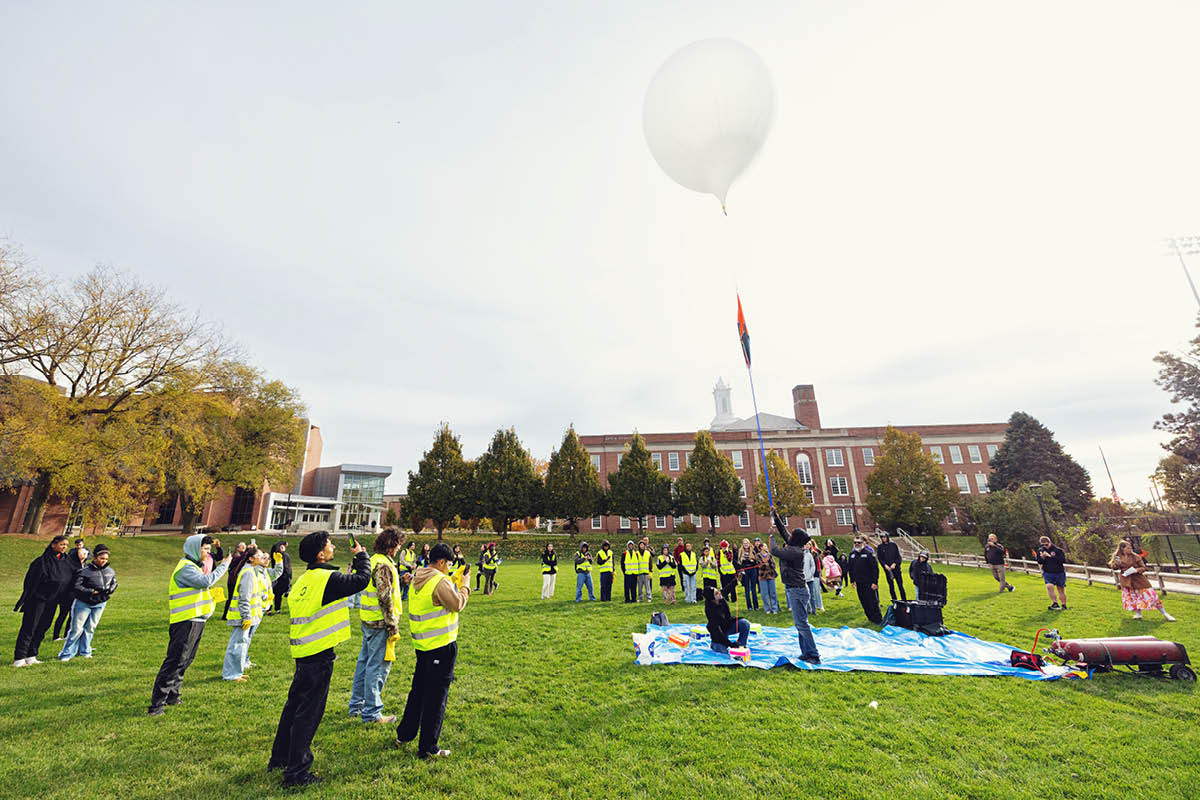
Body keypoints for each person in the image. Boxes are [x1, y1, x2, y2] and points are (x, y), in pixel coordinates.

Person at [268, 531, 369, 787]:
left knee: (293, 709)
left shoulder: (306, 579)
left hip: (303, 653)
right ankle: (297, 773)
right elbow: (362, 580)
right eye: (329, 544)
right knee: (308, 714)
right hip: (319, 655)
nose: (333, 546)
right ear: (320, 554)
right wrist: (362, 556)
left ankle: (279, 758)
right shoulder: (327, 578)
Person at [395, 542, 470, 759]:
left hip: (423, 646)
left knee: (418, 692)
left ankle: (405, 734)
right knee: (436, 698)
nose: (448, 568)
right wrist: (464, 584)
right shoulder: (439, 580)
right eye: (448, 564)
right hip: (441, 646)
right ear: (441, 562)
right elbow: (457, 604)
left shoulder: (420, 575)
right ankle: (428, 747)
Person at [148, 535, 232, 713]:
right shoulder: (186, 568)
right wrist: (224, 564)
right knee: (175, 661)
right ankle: (157, 704)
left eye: (209, 550)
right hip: (185, 621)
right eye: (205, 550)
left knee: (185, 660)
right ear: (194, 549)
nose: (208, 553)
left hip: (196, 620)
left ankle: (173, 695)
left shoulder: (195, 567)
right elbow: (205, 581)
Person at [349, 528, 403, 724]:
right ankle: (372, 713)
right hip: (380, 623)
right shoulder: (383, 565)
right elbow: (385, 597)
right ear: (391, 545)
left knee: (364, 663)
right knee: (377, 667)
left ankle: (357, 706)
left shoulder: (374, 560)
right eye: (398, 544)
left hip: (368, 620)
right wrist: (392, 625)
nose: (399, 548)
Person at [14, 535, 74, 667]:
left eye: (66, 545)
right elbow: (31, 581)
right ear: (53, 544)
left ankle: (31, 655)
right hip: (38, 600)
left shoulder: (66, 562)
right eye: (62, 544)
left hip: (53, 600)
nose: (64, 547)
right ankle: (19, 658)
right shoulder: (41, 561)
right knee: (30, 627)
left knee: (43, 627)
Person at [223, 546, 282, 681]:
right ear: (251, 559)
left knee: (241, 644)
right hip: (242, 616)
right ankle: (231, 675)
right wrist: (246, 616)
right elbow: (245, 597)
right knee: (237, 645)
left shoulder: (251, 571)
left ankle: (236, 672)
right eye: (259, 556)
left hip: (247, 616)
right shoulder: (248, 572)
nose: (262, 558)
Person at [768, 515, 820, 663]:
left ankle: (813, 655)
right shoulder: (794, 546)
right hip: (796, 589)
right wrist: (775, 517)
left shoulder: (795, 552)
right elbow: (784, 532)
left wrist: (771, 535)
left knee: (802, 624)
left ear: (795, 539)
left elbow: (774, 550)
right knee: (800, 624)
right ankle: (806, 652)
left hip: (797, 590)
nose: (789, 535)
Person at [57, 544, 116, 661]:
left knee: (90, 628)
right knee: (76, 629)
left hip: (100, 603)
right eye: (101, 558)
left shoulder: (110, 571)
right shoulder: (84, 571)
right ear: (94, 557)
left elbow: (114, 582)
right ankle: (66, 654)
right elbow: (76, 586)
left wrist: (111, 589)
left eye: (106, 559)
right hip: (83, 603)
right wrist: (91, 591)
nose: (104, 561)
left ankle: (85, 651)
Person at [1110, 539, 1176, 621]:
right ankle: (1138, 614)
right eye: (1128, 548)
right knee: (1133, 597)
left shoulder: (1136, 556)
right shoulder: (1118, 557)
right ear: (1122, 549)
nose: (1130, 549)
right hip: (1127, 580)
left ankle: (1165, 614)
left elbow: (1143, 568)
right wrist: (1117, 563)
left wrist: (1136, 570)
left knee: (1151, 596)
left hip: (1139, 579)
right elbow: (1114, 567)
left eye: (1130, 548)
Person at [52, 538, 90, 641]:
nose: (84, 555)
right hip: (68, 593)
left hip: (78, 595)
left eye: (85, 554)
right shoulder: (71, 565)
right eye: (82, 553)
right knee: (63, 614)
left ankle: (66, 635)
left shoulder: (86, 566)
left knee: (72, 616)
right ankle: (56, 635)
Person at [847, 535, 883, 624]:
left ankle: (878, 619)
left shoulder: (869, 554)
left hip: (869, 582)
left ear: (864, 543)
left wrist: (875, 582)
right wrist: (852, 580)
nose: (857, 544)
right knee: (864, 601)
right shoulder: (852, 555)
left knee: (872, 601)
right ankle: (870, 618)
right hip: (859, 583)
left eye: (859, 542)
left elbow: (875, 569)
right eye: (855, 542)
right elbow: (850, 568)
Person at [703, 586, 750, 655]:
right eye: (716, 593)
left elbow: (726, 589)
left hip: (728, 626)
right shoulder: (710, 611)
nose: (719, 593)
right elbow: (717, 631)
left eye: (718, 591)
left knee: (745, 624)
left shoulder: (721, 599)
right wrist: (730, 644)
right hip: (718, 634)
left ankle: (741, 645)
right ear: (712, 599)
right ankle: (714, 645)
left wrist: (736, 580)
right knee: (724, 653)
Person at [1036, 536, 1068, 610]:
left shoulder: (1058, 550)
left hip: (1059, 572)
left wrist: (1050, 556)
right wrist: (1042, 558)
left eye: (1046, 544)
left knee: (1061, 589)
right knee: (1049, 587)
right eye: (1043, 545)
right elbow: (1039, 561)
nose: (1045, 546)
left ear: (1050, 542)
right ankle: (1055, 603)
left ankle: (1064, 605)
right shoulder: (1040, 550)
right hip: (1048, 572)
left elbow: (1062, 560)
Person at [876, 532, 907, 602]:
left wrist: (895, 564)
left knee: (900, 585)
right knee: (891, 586)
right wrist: (885, 565)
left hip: (896, 568)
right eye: (882, 537)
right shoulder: (880, 547)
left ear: (887, 537)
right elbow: (880, 558)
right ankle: (894, 600)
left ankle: (904, 600)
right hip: (888, 570)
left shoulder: (893, 545)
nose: (883, 539)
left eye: (884, 537)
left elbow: (898, 556)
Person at [269, 541, 292, 614]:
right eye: (280, 546)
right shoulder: (276, 554)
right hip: (278, 576)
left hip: (283, 576)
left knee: (278, 594)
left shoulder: (285, 555)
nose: (282, 547)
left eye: (283, 546)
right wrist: (283, 542)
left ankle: (276, 609)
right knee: (272, 593)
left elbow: (289, 567)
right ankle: (269, 609)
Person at [756, 543, 780, 613]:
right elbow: (760, 565)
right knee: (764, 594)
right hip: (762, 577)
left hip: (771, 576)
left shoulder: (770, 555)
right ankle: (767, 609)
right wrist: (767, 563)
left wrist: (767, 563)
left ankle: (774, 608)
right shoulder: (757, 555)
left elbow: (773, 565)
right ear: (761, 548)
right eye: (765, 546)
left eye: (766, 546)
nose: (766, 547)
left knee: (773, 593)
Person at [737, 539, 759, 611]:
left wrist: (752, 560)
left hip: (753, 570)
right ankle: (749, 606)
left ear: (749, 544)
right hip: (745, 570)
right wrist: (744, 561)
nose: (746, 544)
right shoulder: (740, 551)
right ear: (742, 544)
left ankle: (756, 606)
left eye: (747, 543)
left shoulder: (753, 550)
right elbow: (739, 563)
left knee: (753, 588)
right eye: (744, 543)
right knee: (747, 589)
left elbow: (757, 561)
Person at [806, 540, 825, 613]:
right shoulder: (803, 554)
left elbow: (819, 564)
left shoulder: (815, 554)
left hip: (815, 574)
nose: (808, 545)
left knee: (817, 590)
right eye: (807, 544)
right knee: (810, 592)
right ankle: (811, 606)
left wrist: (819, 572)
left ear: (811, 545)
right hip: (807, 575)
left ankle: (820, 605)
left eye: (809, 544)